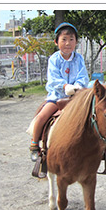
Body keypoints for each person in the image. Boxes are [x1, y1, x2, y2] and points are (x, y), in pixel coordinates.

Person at [29, 22, 89, 161]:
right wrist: (65, 86)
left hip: (76, 96)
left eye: (71, 39)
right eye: (64, 39)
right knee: (42, 116)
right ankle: (34, 144)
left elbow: (83, 75)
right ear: (56, 42)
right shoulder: (54, 59)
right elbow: (53, 78)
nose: (68, 43)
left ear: (76, 42)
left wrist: (78, 86)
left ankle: (101, 145)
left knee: (95, 114)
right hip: (57, 97)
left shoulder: (79, 58)